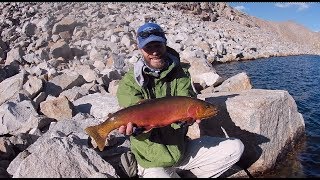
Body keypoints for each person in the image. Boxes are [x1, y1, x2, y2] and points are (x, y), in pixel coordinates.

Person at [116, 22, 244, 178]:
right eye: (149, 47)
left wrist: (185, 121)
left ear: (165, 43)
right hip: (151, 159)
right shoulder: (129, 82)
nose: (155, 52)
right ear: (140, 49)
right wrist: (137, 131)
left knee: (235, 147)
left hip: (181, 150)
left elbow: (186, 103)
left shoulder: (181, 72)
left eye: (158, 45)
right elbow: (135, 118)